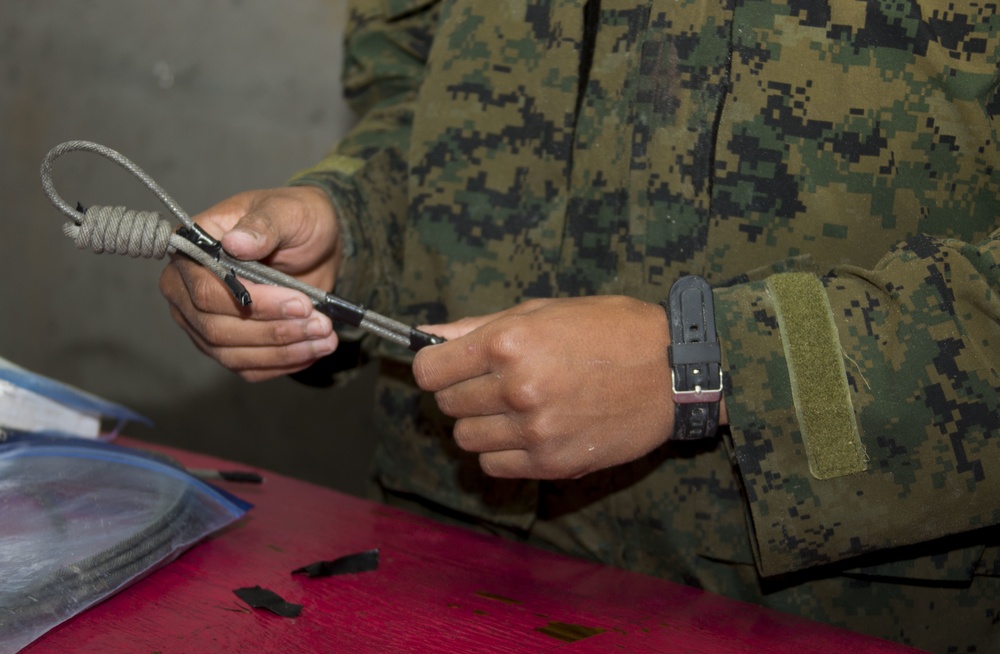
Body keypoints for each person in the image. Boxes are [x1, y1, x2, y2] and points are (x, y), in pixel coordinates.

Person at [160, 1, 1000, 650]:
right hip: (453, 566)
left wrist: (715, 365)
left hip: (828, 610)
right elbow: (413, 98)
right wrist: (349, 231)